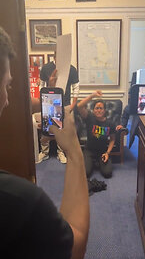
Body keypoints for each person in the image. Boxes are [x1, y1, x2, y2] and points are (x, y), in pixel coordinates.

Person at [0, 26, 89, 258]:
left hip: (62, 104)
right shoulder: (24, 199)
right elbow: (75, 245)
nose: (9, 100)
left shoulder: (72, 70)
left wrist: (56, 100)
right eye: (7, 86)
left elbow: (53, 95)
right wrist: (75, 152)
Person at [37, 50, 80, 164]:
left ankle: (61, 152)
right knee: (46, 127)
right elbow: (41, 85)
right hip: (49, 102)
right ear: (54, 57)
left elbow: (76, 87)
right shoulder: (46, 68)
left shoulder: (72, 69)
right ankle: (44, 152)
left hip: (65, 104)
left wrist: (74, 103)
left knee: (63, 129)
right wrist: (41, 100)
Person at [77, 91, 116, 178]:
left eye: (101, 108)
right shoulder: (89, 118)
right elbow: (79, 106)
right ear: (93, 110)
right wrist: (92, 95)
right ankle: (92, 162)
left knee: (107, 173)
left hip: (102, 152)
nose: (99, 110)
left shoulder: (110, 123)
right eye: (96, 108)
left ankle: (97, 162)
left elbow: (112, 139)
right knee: (86, 173)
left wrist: (107, 153)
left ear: (104, 110)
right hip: (89, 150)